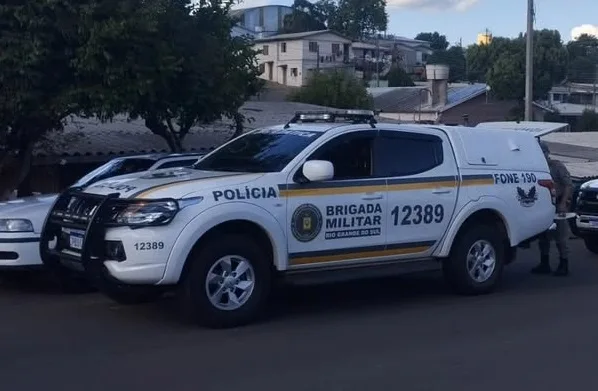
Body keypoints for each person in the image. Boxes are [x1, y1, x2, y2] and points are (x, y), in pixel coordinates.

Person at [531, 141, 574, 277]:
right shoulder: (536, 167)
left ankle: (564, 263)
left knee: (561, 236)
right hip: (544, 205)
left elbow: (568, 185)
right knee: (543, 236)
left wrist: (563, 203)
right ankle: (545, 263)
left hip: (558, 203)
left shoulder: (556, 166)